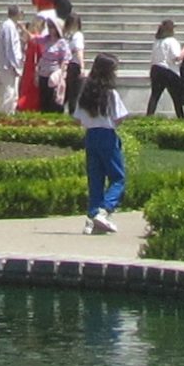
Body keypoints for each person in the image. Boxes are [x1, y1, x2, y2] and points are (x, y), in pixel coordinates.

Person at [72, 54, 131, 234]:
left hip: (91, 136)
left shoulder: (85, 93)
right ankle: (105, 210)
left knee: (95, 179)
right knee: (118, 177)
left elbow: (78, 119)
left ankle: (92, 217)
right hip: (107, 135)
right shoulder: (111, 94)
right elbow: (120, 117)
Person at [147, 19, 184, 119]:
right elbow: (177, 57)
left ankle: (148, 117)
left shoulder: (157, 41)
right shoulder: (172, 41)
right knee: (176, 98)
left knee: (155, 96)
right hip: (168, 71)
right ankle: (181, 118)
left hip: (155, 69)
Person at [0, 6, 27, 114]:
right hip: (8, 64)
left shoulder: (10, 26)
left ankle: (10, 112)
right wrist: (13, 64)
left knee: (14, 92)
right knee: (10, 90)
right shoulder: (8, 26)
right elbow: (10, 47)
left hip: (10, 63)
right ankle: (5, 113)